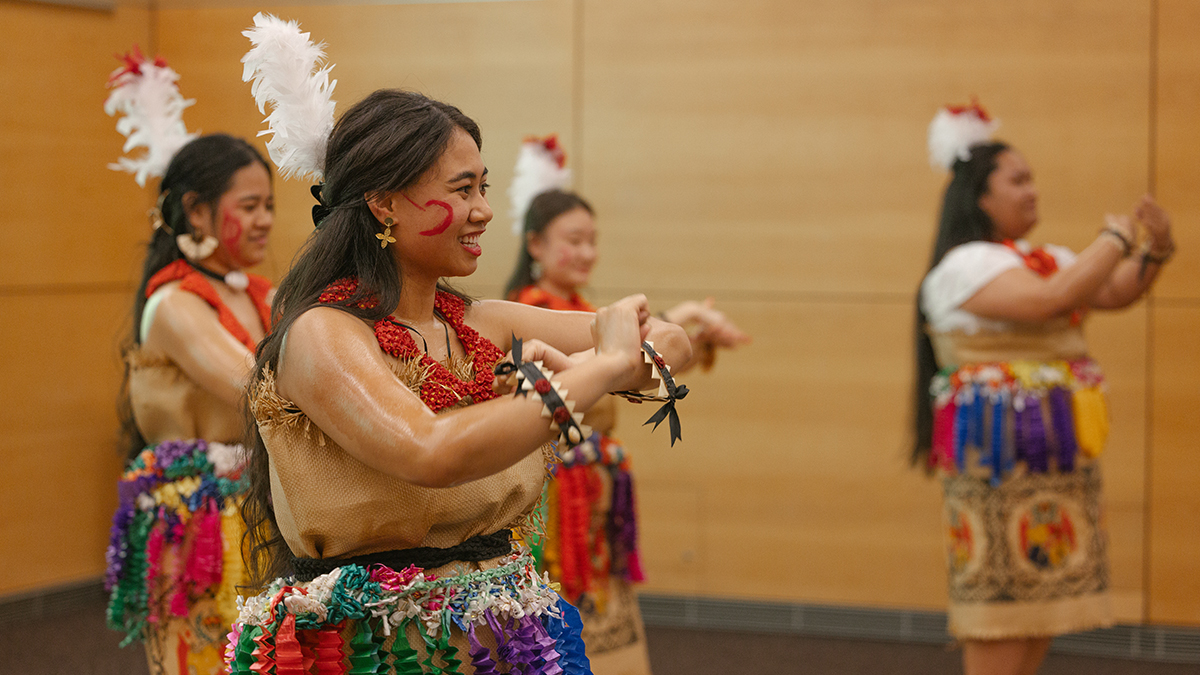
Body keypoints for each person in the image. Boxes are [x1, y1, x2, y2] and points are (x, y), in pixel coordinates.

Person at [226, 80, 691, 673]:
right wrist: (602, 367)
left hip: (503, 634)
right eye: (462, 189)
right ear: (384, 202)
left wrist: (586, 366)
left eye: (485, 186)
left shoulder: (484, 323)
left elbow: (667, 341)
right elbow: (431, 452)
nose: (484, 210)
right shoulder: (323, 333)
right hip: (384, 649)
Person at [914, 106, 1175, 675]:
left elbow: (1113, 292)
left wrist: (1154, 249)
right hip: (997, 463)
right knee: (1002, 611)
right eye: (1018, 180)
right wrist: (1112, 238)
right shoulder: (965, 266)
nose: (1033, 192)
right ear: (979, 197)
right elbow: (1051, 300)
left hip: (1053, 460)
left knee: (1042, 609)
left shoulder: (1040, 259)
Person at [503, 171, 749, 674]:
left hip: (591, 485)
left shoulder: (582, 311)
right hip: (553, 492)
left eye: (593, 241)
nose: (588, 253)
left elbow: (628, 368)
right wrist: (673, 319)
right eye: (574, 241)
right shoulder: (530, 312)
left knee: (601, 598)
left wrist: (689, 336)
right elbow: (608, 366)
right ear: (535, 244)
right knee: (565, 607)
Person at [105, 133, 276, 675]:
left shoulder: (261, 294)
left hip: (260, 506)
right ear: (196, 211)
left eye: (269, 205)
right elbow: (260, 390)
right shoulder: (171, 303)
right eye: (249, 206)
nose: (266, 219)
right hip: (197, 518)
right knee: (201, 658)